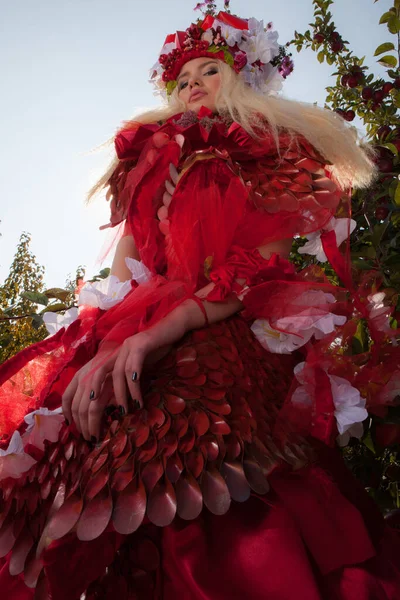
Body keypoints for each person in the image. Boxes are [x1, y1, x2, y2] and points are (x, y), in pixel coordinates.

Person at [0, 5, 400, 599]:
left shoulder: (268, 150)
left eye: (208, 71)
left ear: (243, 79)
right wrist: (102, 353)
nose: (191, 86)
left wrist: (153, 336)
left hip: (222, 333)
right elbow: (123, 285)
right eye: (182, 79)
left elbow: (256, 270)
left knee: (219, 489)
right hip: (140, 338)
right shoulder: (145, 158)